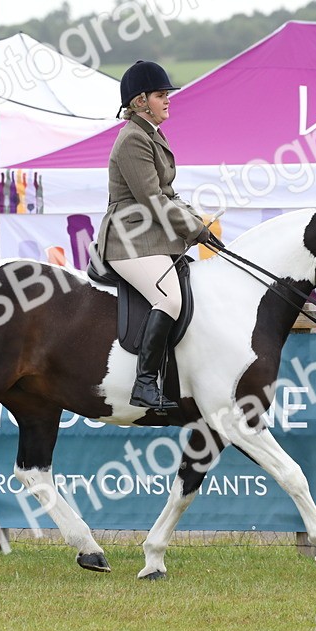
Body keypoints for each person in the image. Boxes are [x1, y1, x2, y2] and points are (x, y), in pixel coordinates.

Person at [96, 60, 216, 411]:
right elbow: (153, 200)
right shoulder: (133, 139)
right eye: (161, 95)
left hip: (148, 235)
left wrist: (198, 221)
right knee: (170, 299)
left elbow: (169, 194)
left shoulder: (151, 134)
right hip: (128, 237)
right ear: (140, 101)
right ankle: (144, 384)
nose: (168, 100)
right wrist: (193, 229)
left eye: (166, 94)